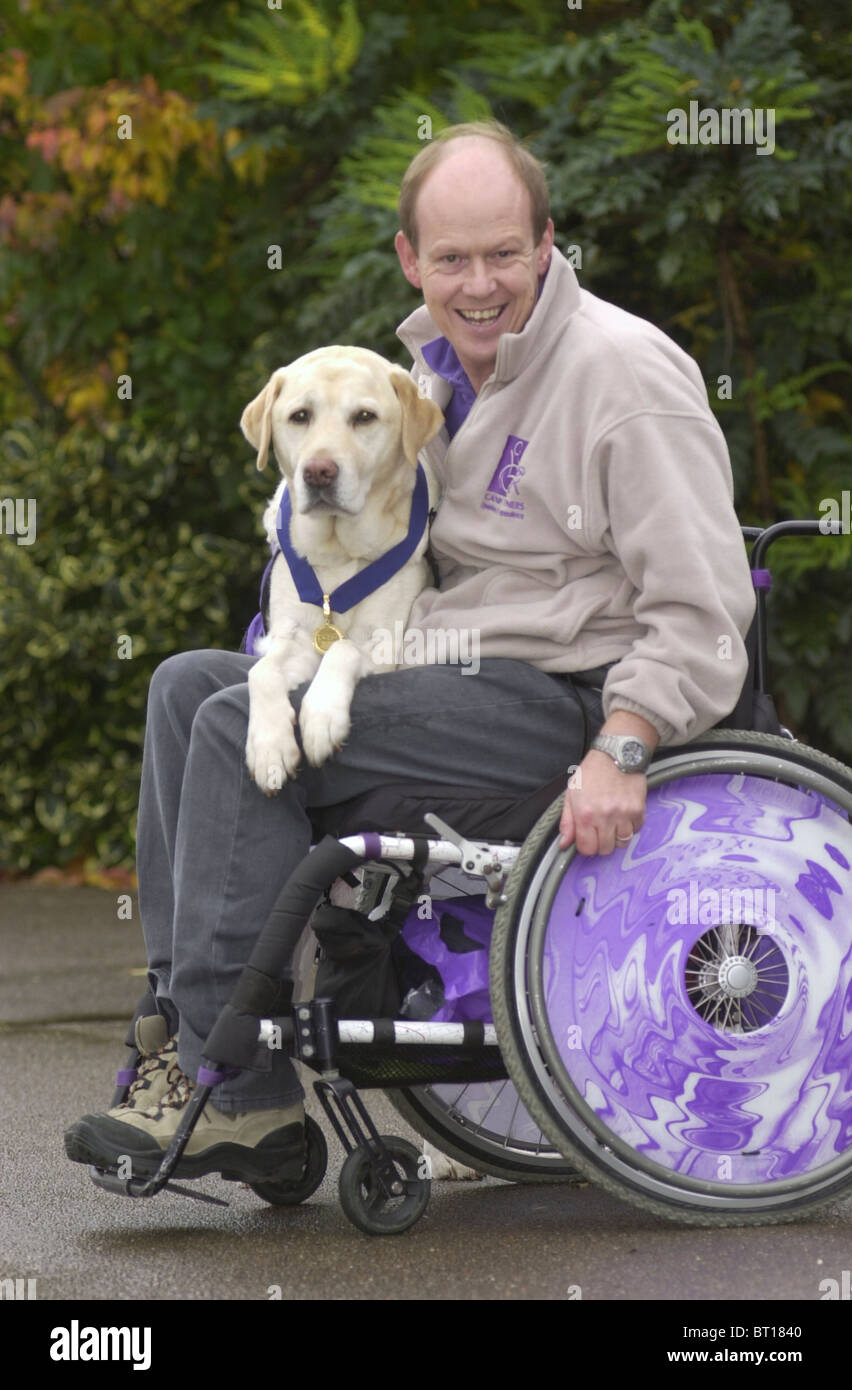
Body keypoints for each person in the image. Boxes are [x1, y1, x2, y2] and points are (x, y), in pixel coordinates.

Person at [65, 121, 755, 1183]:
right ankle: (186, 1035)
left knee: (223, 722)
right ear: (409, 260)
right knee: (187, 687)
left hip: (564, 704)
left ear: (546, 244)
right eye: (450, 259)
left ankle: (234, 1089)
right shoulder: (428, 384)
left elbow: (705, 609)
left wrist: (626, 741)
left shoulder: (623, 376)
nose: (478, 284)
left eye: (502, 254)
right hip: (436, 675)